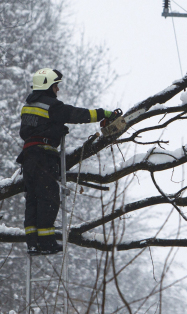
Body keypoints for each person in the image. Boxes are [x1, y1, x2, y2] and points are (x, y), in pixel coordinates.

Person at [18, 68, 115, 254]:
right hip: (44, 159)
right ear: (47, 86)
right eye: (56, 86)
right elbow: (76, 115)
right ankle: (46, 243)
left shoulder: (27, 107)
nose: (57, 90)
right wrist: (103, 113)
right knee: (48, 198)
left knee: (32, 200)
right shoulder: (51, 106)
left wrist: (53, 129)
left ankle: (32, 243)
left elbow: (31, 131)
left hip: (28, 159)